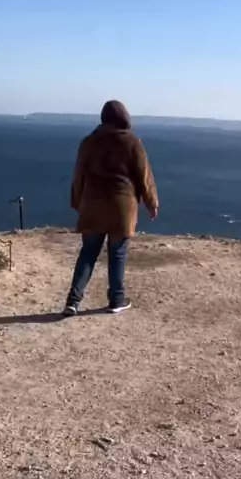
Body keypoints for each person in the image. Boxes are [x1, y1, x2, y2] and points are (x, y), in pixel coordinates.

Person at [63, 100, 158, 317]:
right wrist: (152, 203)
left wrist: (77, 201)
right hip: (121, 208)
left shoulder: (88, 142)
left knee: (88, 253)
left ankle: (73, 301)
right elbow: (144, 177)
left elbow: (79, 175)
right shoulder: (132, 142)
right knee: (117, 254)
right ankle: (116, 299)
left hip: (92, 205)